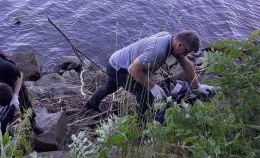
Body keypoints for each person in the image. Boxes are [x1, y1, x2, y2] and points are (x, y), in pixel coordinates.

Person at [85, 30, 213, 124]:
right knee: (145, 94)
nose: (184, 55)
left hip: (117, 61)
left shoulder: (168, 38)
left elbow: (186, 64)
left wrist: (198, 86)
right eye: (185, 52)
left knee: (110, 87)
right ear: (179, 45)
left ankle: (91, 104)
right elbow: (133, 70)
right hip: (120, 68)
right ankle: (140, 126)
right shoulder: (159, 50)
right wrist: (153, 87)